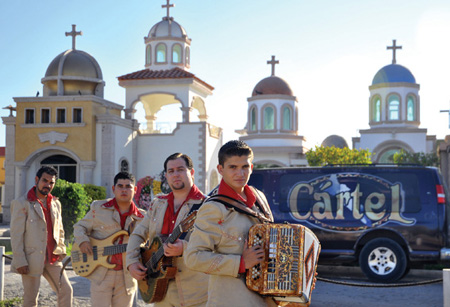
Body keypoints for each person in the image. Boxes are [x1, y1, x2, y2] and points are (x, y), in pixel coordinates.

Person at [184, 140, 277, 307]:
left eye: (245, 167)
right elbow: (193, 258)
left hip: (266, 300)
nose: (240, 173)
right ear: (221, 170)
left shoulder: (260, 198)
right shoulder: (214, 208)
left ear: (251, 167)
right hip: (230, 300)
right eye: (233, 167)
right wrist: (240, 263)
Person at [127, 153, 208, 307]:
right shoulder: (157, 204)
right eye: (171, 171)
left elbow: (215, 244)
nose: (175, 175)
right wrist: (132, 262)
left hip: (196, 294)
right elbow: (138, 234)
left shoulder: (207, 206)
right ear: (166, 175)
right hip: (161, 292)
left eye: (180, 169)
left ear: (191, 172)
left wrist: (184, 248)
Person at [73, 172, 145, 307]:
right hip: (101, 275)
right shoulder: (98, 208)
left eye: (128, 186)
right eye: (120, 186)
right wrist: (83, 241)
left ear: (135, 190)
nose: (124, 190)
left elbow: (149, 243)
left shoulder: (143, 218)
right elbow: (79, 226)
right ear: (113, 189)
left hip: (127, 277)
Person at [10, 165, 73, 307]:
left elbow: (60, 230)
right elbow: (16, 235)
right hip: (31, 259)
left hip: (53, 258)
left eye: (51, 182)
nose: (48, 185)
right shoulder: (21, 203)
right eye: (45, 181)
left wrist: (61, 249)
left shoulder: (56, 203)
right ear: (37, 180)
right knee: (31, 299)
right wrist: (20, 261)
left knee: (66, 290)